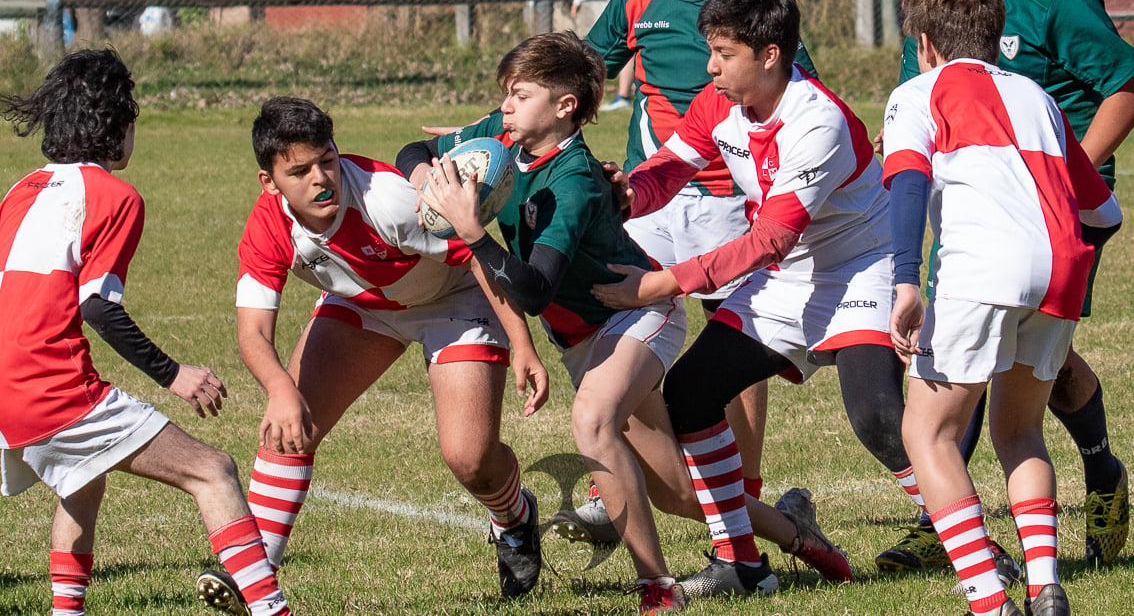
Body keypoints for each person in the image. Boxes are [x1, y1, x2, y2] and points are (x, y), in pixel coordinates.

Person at [405, 31, 851, 613]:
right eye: (505, 97)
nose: (505, 107)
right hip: (580, 340)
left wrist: (470, 229)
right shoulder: (501, 137)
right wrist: (429, 184)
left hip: (637, 312)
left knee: (592, 421)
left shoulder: (575, 181)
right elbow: (412, 151)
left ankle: (656, 590)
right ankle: (793, 532)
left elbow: (535, 290)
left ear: (565, 106)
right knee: (681, 495)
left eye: (519, 95)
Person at [590, 0, 913, 598]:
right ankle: (741, 564)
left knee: (876, 417)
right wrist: (628, 191)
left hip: (859, 267)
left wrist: (663, 283)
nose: (709, 68)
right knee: (690, 392)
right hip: (788, 275)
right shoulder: (721, 102)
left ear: (769, 55)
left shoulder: (817, 121)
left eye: (723, 54)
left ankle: (977, 547)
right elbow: (674, 167)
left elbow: (768, 240)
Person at [877, 0, 1134, 573]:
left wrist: (1055, 170)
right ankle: (947, 515)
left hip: (1058, 212)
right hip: (963, 209)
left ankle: (1101, 470)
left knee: (1020, 361)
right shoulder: (936, 9)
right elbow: (921, 102)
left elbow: (1124, 84)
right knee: (961, 349)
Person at [560, 0, 822, 545]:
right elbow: (581, 79)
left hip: (730, 201)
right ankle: (611, 482)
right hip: (653, 195)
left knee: (733, 349)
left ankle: (747, 493)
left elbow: (804, 89)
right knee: (623, 325)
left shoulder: (747, 3)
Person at [0, 49, 291, 616]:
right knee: (215, 471)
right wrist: (174, 373)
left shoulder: (20, 191)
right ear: (118, 127)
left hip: (3, 388)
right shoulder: (114, 196)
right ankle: (271, 610)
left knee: (83, 479)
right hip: (50, 389)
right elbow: (98, 307)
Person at [228, 97, 548, 605]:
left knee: (470, 459)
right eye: (300, 171)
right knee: (290, 428)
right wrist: (280, 390)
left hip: (454, 298)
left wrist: (524, 344)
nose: (321, 179)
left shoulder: (387, 200)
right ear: (269, 182)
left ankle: (516, 518)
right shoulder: (270, 224)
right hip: (366, 304)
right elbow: (252, 334)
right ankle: (252, 577)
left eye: (327, 161)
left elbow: (477, 259)